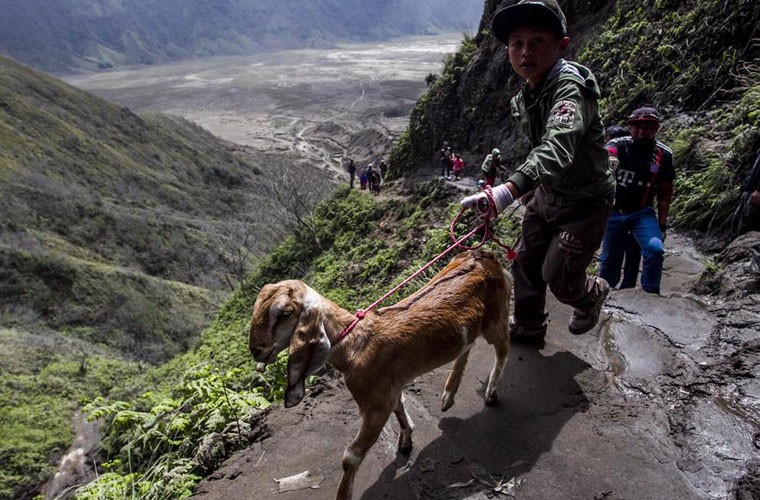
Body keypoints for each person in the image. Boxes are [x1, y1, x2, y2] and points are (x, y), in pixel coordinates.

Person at [461, 0, 615, 345]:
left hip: (585, 201)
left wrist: (506, 191)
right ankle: (529, 325)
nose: (525, 52)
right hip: (548, 193)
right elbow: (538, 146)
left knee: (558, 275)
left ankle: (590, 294)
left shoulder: (569, 88)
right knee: (526, 261)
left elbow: (557, 147)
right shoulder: (528, 94)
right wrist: (525, 186)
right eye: (517, 43)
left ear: (561, 45)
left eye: (537, 41)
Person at [598, 107, 675, 294]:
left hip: (642, 213)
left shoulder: (663, 155)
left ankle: (649, 295)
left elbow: (665, 193)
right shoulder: (620, 144)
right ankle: (601, 298)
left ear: (656, 128)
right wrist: (609, 159)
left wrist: (662, 226)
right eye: (637, 127)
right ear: (630, 127)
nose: (641, 131)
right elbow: (609, 150)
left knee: (654, 249)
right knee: (608, 259)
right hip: (613, 212)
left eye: (647, 127)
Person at [605, 124, 641, 289]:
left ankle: (614, 286)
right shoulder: (619, 154)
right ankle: (620, 286)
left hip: (628, 211)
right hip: (620, 211)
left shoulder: (630, 156)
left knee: (619, 251)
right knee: (621, 251)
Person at [730, 149, 760, 237]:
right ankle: (732, 246)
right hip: (749, 190)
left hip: (756, 193)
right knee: (737, 220)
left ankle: (742, 246)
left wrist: (759, 190)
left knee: (747, 225)